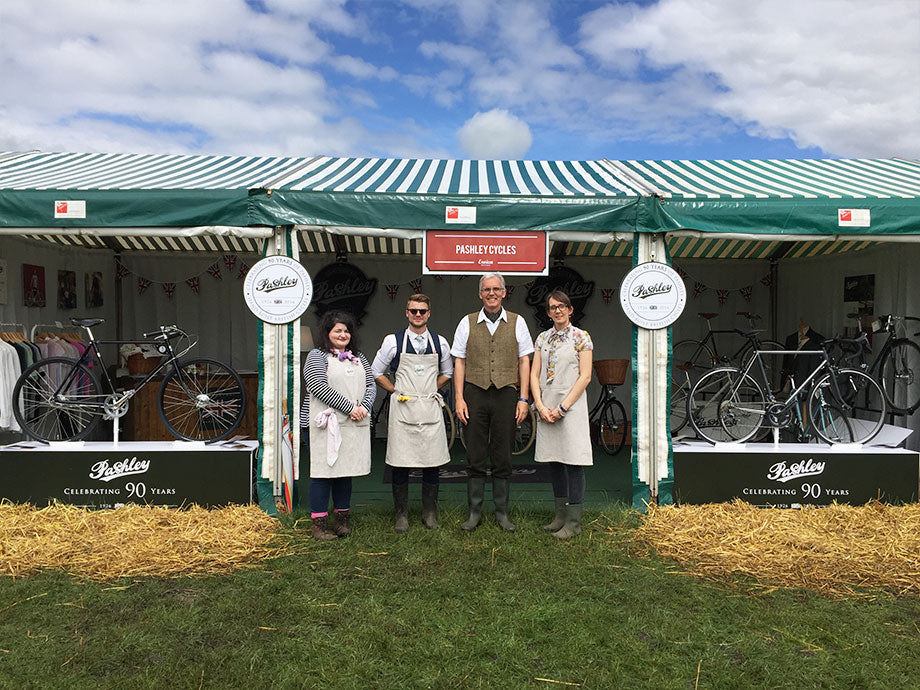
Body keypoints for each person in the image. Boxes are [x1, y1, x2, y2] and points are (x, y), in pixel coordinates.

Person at [451, 272, 533, 532]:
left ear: (504, 292)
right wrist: (459, 397)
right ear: (480, 294)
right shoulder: (467, 322)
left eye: (496, 289)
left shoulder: (518, 322)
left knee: (503, 454)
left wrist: (524, 398)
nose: (492, 294)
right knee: (475, 453)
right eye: (487, 289)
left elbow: (524, 361)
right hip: (475, 394)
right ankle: (474, 513)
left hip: (507, 394)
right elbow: (459, 361)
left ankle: (502, 513)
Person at [371, 293, 453, 532]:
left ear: (429, 313)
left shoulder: (441, 343)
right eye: (414, 311)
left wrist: (428, 390)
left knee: (432, 462)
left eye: (422, 311)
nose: (418, 315)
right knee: (400, 461)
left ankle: (429, 513)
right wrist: (396, 390)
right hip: (403, 408)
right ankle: (401, 515)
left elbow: (447, 372)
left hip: (429, 408)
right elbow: (376, 371)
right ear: (407, 313)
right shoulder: (392, 342)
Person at [301, 310, 376, 541]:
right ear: (327, 333)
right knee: (323, 474)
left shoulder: (359, 357)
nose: (343, 334)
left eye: (346, 330)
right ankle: (319, 525)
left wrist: (364, 406)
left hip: (353, 423)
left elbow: (371, 385)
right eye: (338, 330)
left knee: (346, 472)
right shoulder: (316, 356)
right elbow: (316, 385)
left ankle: (342, 521)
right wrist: (349, 408)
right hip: (324, 425)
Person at [530, 290, 594, 539]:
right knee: (554, 460)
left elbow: (585, 376)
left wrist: (563, 407)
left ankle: (574, 523)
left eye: (562, 306)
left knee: (573, 461)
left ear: (570, 310)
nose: (557, 310)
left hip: (571, 406)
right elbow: (534, 374)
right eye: (552, 307)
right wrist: (540, 405)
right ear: (547, 313)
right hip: (547, 406)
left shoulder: (581, 337)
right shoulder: (542, 339)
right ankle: (560, 516)